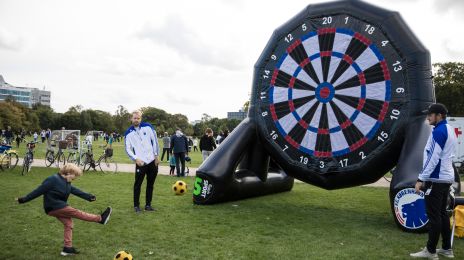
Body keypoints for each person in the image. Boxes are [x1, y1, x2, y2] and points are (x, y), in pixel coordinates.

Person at [16, 164, 112, 256]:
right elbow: (38, 191)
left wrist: (89, 197)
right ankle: (100, 219)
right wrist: (23, 200)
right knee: (76, 212)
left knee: (69, 224)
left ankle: (67, 249)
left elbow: (75, 190)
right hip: (53, 206)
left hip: (58, 207)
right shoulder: (52, 179)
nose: (75, 178)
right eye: (75, 176)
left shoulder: (67, 182)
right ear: (68, 173)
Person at [410, 103, 457, 259]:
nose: (428, 117)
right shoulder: (448, 129)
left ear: (439, 116)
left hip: (436, 179)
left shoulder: (439, 131)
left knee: (434, 216)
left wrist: (420, 179)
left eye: (430, 114)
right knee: (442, 214)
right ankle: (446, 249)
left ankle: (430, 251)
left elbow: (433, 158)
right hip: (445, 178)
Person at [124, 110, 159, 214]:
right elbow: (127, 149)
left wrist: (156, 155)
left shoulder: (148, 127)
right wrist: (135, 158)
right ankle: (136, 206)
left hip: (152, 161)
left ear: (141, 118)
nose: (136, 120)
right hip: (140, 162)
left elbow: (155, 141)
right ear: (131, 119)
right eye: (134, 118)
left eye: (138, 118)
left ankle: (148, 205)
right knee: (138, 184)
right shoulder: (128, 133)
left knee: (150, 184)